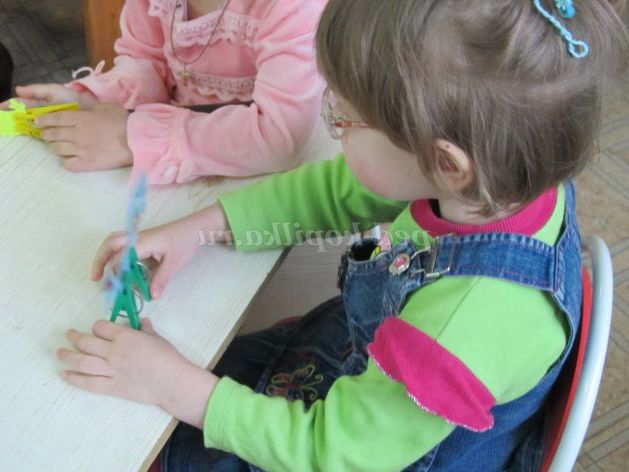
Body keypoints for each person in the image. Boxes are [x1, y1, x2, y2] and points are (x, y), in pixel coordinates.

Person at [57, 1, 629, 470]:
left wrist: (173, 386)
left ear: (446, 163)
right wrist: (204, 227)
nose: (329, 123)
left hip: (361, 448)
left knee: (136, 440)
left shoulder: (464, 326)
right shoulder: (497, 177)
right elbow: (338, 190)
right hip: (370, 380)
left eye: (343, 118)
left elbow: (331, 454)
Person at [9, 0, 326, 183]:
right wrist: (91, 100)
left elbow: (280, 138)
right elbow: (147, 63)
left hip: (281, 185)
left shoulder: (296, 7)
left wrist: (128, 137)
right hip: (184, 170)